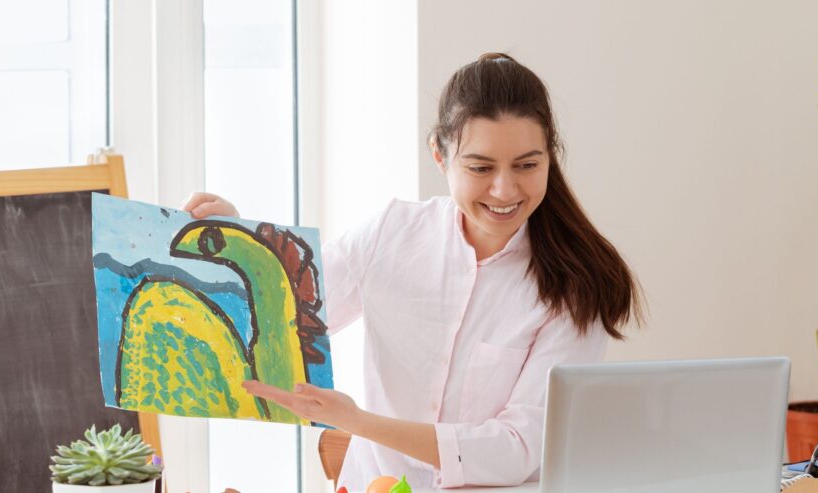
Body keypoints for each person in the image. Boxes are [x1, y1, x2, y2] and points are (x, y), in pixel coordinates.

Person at [183, 52, 642, 490]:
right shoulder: (392, 233)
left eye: (527, 165)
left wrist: (356, 422)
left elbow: (517, 449)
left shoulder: (577, 286)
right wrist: (240, 239)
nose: (505, 189)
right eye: (481, 166)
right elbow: (287, 310)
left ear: (550, 157)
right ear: (439, 155)